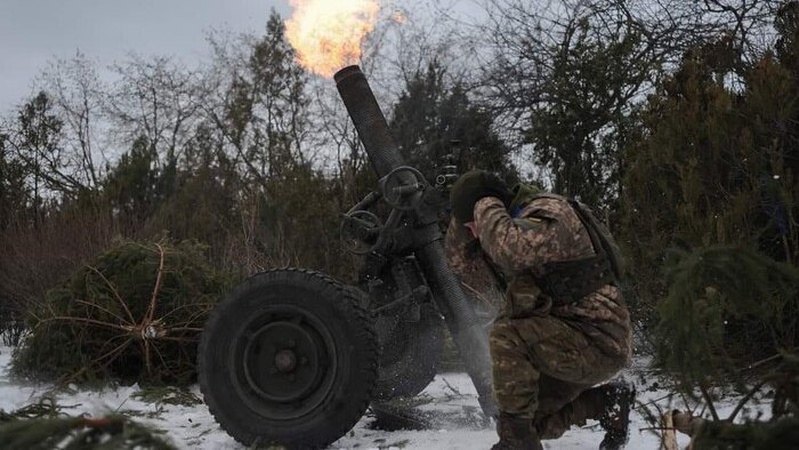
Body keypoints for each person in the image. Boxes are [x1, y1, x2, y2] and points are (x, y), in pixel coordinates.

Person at [445, 169, 634, 450]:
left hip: (598, 342)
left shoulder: (551, 213)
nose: (475, 233)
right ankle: (606, 403)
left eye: (476, 224)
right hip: (567, 341)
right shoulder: (514, 221)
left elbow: (510, 250)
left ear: (493, 207)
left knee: (507, 335)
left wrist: (482, 205)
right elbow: (457, 263)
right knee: (522, 420)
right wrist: (466, 217)